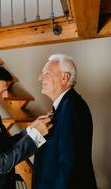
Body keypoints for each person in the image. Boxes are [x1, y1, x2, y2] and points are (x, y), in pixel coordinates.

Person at [32, 54, 97, 189]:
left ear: (64, 77)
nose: (40, 78)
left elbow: (69, 164)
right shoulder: (65, 105)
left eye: (47, 74)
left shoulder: (72, 108)